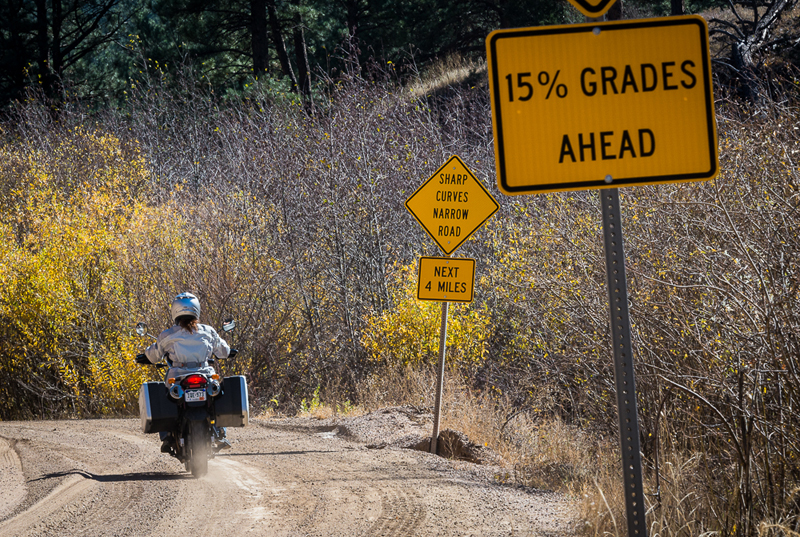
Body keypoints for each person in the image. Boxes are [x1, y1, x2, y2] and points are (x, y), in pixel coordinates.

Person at [143, 292, 232, 453]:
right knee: (217, 396)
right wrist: (229, 351)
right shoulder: (208, 331)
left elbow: (154, 355)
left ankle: (168, 436)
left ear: (174, 311)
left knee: (166, 396)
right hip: (205, 374)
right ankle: (220, 432)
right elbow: (224, 351)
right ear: (196, 309)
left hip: (177, 375)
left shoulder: (168, 334)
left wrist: (145, 356)